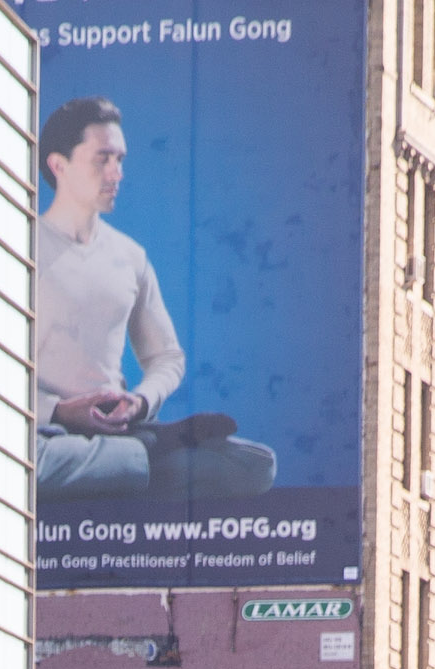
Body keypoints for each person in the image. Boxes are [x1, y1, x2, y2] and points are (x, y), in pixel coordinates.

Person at [29, 98, 275, 513]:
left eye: (120, 160)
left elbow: (167, 357)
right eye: (103, 159)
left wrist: (140, 402)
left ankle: (129, 458)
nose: (116, 174)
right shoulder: (24, 244)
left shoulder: (129, 257)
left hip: (113, 430)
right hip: (44, 432)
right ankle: (148, 452)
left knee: (255, 465)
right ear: (59, 165)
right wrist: (60, 411)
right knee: (21, 464)